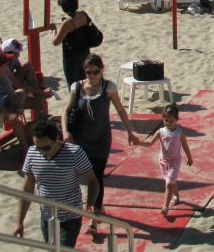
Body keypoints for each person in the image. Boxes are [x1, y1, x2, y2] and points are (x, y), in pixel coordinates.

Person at [62, 53, 138, 233]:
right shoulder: (77, 87)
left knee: (96, 178)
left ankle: (93, 220)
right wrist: (65, 131)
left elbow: (120, 110)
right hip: (81, 139)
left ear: (101, 70)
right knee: (83, 177)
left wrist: (130, 132)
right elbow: (66, 110)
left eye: (95, 72)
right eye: (88, 72)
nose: (92, 76)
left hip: (101, 139)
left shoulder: (108, 87)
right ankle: (96, 208)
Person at [14, 117, 98, 247]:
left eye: (46, 148)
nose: (42, 153)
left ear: (57, 140)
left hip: (70, 216)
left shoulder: (74, 153)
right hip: (46, 216)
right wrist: (19, 221)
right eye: (38, 147)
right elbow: (27, 188)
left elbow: (92, 180)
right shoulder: (32, 153)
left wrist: (91, 202)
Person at [138, 104, 193, 217]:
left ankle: (165, 207)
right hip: (163, 162)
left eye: (171, 120)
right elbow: (149, 143)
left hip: (175, 162)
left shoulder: (179, 132)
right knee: (171, 181)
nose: (168, 122)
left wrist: (189, 157)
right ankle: (176, 196)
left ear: (176, 120)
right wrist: (138, 142)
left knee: (168, 183)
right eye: (166, 120)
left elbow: (185, 145)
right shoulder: (161, 132)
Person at [51, 0, 97, 88]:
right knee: (84, 84)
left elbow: (56, 42)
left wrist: (53, 30)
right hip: (85, 53)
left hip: (72, 58)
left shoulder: (67, 23)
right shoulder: (83, 14)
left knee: (74, 88)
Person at [0, 38, 56, 106]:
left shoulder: (14, 59)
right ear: (9, 54)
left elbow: (25, 75)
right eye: (17, 53)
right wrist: (42, 92)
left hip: (11, 84)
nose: (19, 55)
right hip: (4, 90)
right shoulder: (2, 65)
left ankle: (38, 97)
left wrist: (42, 87)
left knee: (28, 66)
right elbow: (17, 84)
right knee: (38, 100)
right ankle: (39, 98)